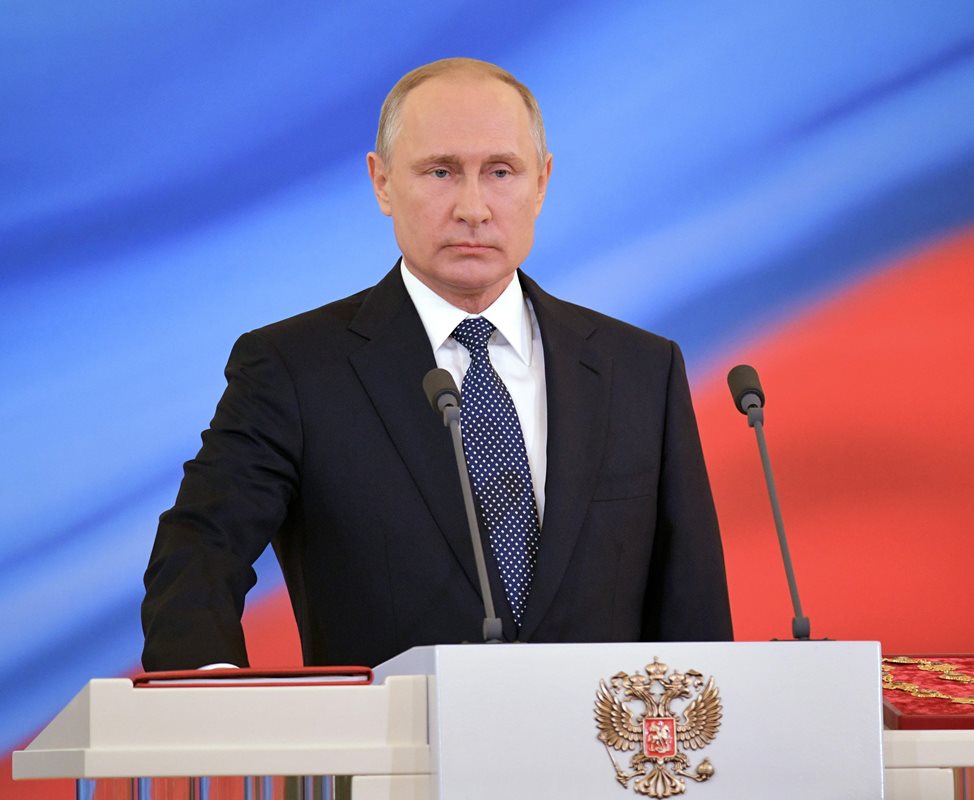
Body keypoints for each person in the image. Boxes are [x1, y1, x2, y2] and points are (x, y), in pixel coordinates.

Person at [141, 58, 733, 671]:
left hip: (601, 757)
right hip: (388, 759)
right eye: (441, 172)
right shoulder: (293, 370)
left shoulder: (639, 370)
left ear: (542, 182)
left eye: (500, 171)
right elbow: (199, 550)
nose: (473, 207)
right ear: (382, 183)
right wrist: (206, 697)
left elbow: (693, 609)